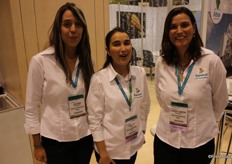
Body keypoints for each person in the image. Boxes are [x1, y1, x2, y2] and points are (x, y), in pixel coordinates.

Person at [153, 6, 228, 164]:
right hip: (166, 140)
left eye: (184, 25)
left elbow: (221, 101)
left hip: (199, 143)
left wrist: (203, 123)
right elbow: (161, 98)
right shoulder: (162, 62)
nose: (179, 31)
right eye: (173, 27)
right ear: (168, 32)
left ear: (194, 27)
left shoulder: (211, 61)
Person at [24, 2, 94, 164]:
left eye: (78, 24)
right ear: (58, 28)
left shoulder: (87, 61)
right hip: (55, 141)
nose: (73, 30)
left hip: (84, 137)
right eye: (67, 24)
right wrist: (37, 145)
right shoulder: (40, 61)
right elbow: (31, 107)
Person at [87, 27, 151, 164]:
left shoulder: (140, 73)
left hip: (133, 145)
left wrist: (142, 130)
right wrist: (103, 153)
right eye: (116, 44)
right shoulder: (99, 80)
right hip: (110, 151)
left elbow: (144, 105)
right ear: (108, 51)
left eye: (127, 43)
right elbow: (94, 119)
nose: (123, 48)